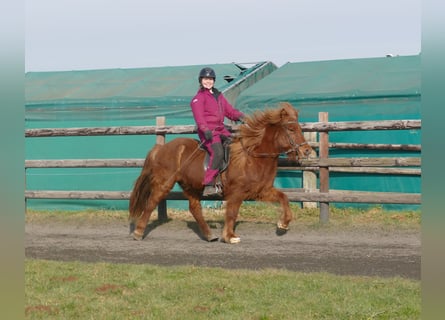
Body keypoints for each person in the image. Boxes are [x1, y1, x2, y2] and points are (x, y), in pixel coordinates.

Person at [190, 67, 245, 196]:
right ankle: (208, 184)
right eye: (205, 79)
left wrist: (242, 116)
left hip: (221, 130)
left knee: (236, 146)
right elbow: (199, 118)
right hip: (208, 132)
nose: (208, 81)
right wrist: (205, 129)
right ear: (201, 80)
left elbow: (229, 111)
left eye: (210, 79)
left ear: (213, 80)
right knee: (218, 152)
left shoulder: (218, 96)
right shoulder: (198, 98)